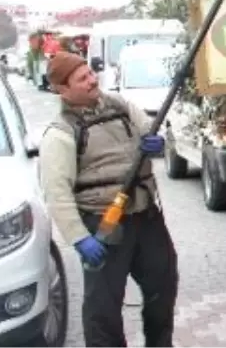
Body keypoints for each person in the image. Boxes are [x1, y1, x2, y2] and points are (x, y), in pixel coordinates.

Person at [38, 51, 178, 347]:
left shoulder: (121, 106)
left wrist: (157, 144)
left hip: (145, 217)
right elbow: (57, 194)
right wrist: (79, 239)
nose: (92, 80)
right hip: (102, 228)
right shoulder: (61, 133)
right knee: (102, 310)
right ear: (63, 90)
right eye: (82, 78)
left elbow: (149, 131)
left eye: (90, 73)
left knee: (162, 289)